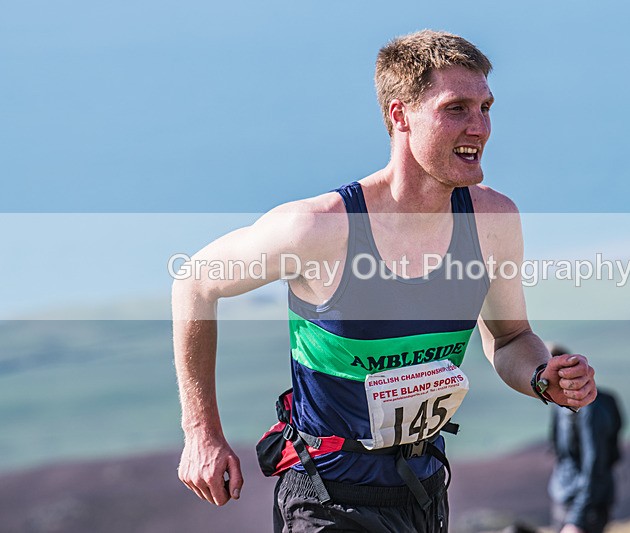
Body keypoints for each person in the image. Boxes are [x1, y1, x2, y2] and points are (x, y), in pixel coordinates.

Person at [172, 30, 597, 532]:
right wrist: (202, 433)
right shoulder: (321, 227)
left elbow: (509, 338)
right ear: (400, 116)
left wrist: (542, 378)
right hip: (326, 497)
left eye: (486, 107)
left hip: (421, 492)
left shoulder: (492, 221)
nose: (479, 126)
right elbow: (196, 281)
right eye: (456, 108)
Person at [546, 344, 622, 533]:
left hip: (584, 504)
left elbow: (595, 464)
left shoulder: (590, 409)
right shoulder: (560, 405)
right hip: (564, 498)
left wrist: (577, 520)